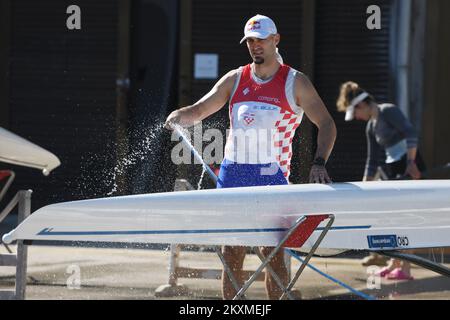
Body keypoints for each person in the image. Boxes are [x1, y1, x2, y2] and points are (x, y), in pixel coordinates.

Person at [165, 14, 336, 299]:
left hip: (271, 178)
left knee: (273, 256)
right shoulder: (235, 78)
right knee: (231, 253)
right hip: (232, 177)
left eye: (261, 40)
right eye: (251, 41)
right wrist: (178, 116)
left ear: (276, 40)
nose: (255, 46)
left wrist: (319, 162)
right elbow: (199, 110)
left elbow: (327, 124)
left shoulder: (295, 82)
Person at [336, 81, 426, 281]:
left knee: (406, 217)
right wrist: (363, 186)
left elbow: (410, 132)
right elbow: (373, 160)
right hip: (395, 169)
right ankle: (394, 262)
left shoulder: (388, 111)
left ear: (361, 106)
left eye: (356, 113)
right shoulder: (371, 126)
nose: (358, 118)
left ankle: (406, 268)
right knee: (394, 216)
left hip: (410, 164)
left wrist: (411, 162)